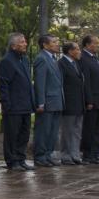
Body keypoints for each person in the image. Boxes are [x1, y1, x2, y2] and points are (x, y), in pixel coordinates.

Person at [0, 33, 35, 171]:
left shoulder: (24, 59)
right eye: (22, 42)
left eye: (25, 41)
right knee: (12, 136)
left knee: (24, 134)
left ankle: (21, 159)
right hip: (13, 106)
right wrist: (6, 104)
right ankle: (12, 161)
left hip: (25, 105)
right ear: (13, 46)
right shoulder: (7, 61)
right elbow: (3, 85)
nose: (25, 44)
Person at [33, 34, 64, 167]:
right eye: (54, 42)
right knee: (43, 130)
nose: (57, 44)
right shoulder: (41, 59)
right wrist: (40, 102)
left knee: (53, 131)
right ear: (45, 45)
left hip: (56, 101)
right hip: (47, 102)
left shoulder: (52, 59)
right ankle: (40, 156)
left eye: (57, 41)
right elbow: (40, 82)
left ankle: (48, 154)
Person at [79, 35, 99, 164]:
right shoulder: (84, 58)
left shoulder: (96, 59)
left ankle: (96, 153)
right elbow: (86, 82)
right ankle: (88, 154)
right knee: (89, 129)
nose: (98, 45)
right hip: (93, 101)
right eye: (95, 43)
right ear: (87, 45)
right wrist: (89, 100)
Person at [59, 42, 86, 165]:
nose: (80, 51)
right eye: (77, 49)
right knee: (67, 130)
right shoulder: (61, 64)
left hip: (79, 103)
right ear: (70, 51)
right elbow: (61, 84)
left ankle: (75, 154)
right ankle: (66, 155)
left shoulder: (76, 63)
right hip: (68, 103)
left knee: (77, 130)